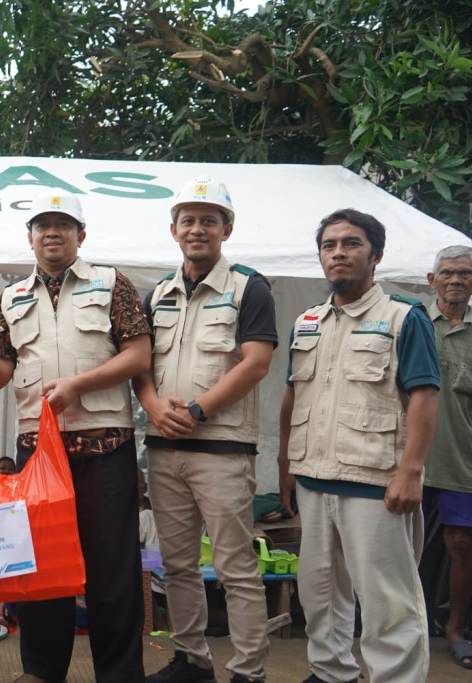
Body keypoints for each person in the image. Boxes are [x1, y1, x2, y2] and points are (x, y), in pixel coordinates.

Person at [0, 189, 151, 683]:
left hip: (105, 447)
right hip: (37, 454)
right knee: (39, 566)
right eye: (42, 226)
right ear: (29, 237)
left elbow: (138, 355)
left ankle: (120, 674)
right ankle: (42, 672)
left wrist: (78, 385)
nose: (53, 233)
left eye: (63, 224)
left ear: (80, 234)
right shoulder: (11, 298)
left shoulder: (111, 282)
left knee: (111, 571)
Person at [278, 208, 439, 683]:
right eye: (329, 245)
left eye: (351, 244)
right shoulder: (307, 321)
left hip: (376, 483)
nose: (338, 253)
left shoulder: (403, 317)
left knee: (387, 602)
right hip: (313, 480)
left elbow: (424, 397)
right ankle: (331, 673)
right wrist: (286, 466)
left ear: (376, 255)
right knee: (320, 593)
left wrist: (410, 472)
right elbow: (292, 395)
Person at [131, 177, 276, 683]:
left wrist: (197, 410)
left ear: (226, 229)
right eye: (188, 220)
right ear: (174, 230)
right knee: (176, 565)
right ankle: (191, 661)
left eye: (209, 220)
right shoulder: (157, 294)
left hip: (223, 450)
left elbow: (256, 363)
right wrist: (152, 405)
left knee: (236, 567)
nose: (197, 229)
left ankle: (248, 671)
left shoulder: (249, 288)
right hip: (164, 449)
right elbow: (140, 364)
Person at [422, 245, 472, 669]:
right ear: (432, 280)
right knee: (400, 544)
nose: (455, 279)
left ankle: (455, 629)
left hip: (463, 458)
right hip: (409, 458)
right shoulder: (412, 323)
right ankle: (400, 627)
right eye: (447, 272)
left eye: (465, 273)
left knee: (461, 545)